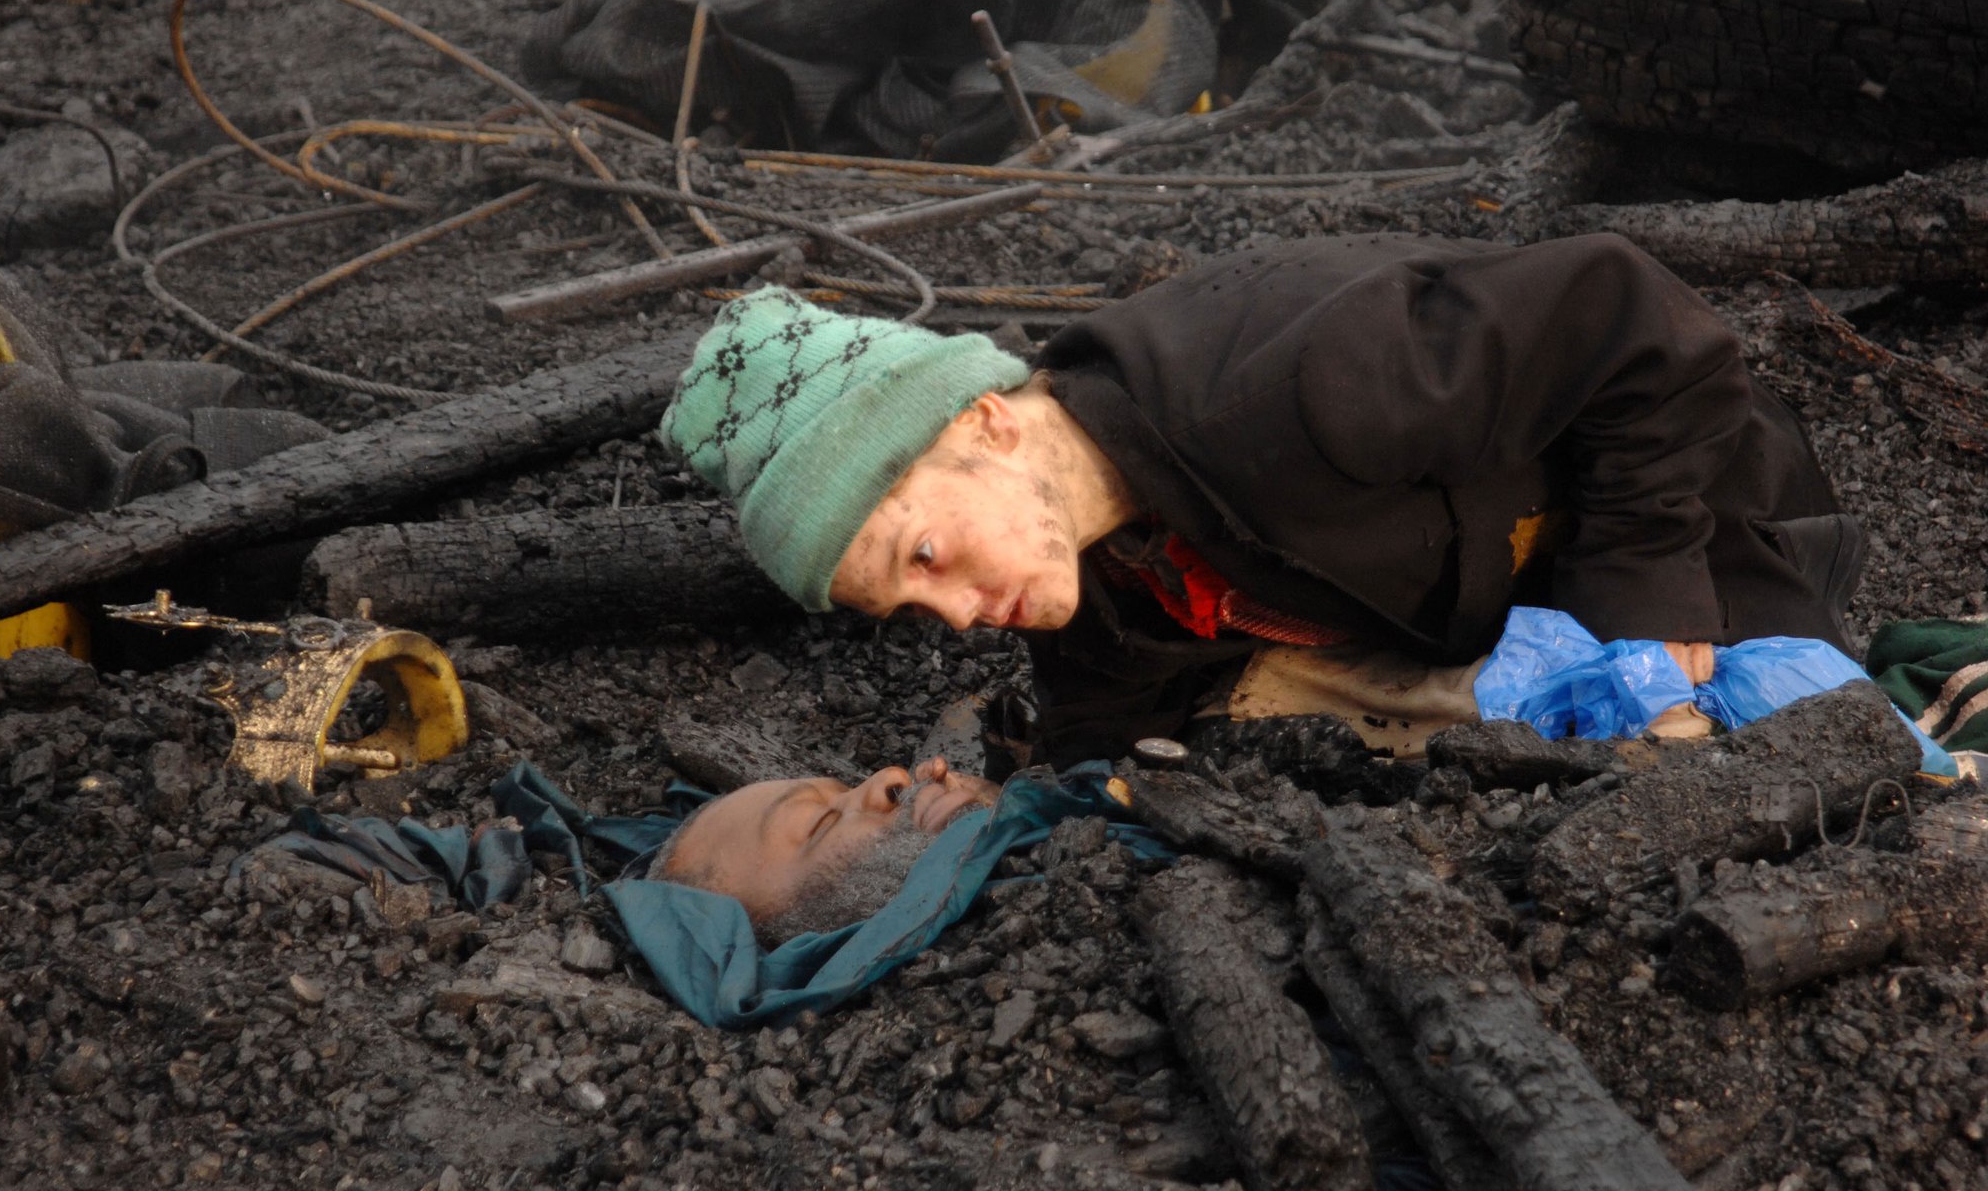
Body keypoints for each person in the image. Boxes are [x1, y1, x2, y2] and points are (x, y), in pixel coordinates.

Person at [653, 231, 1865, 935]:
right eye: (912, 607)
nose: (959, 612)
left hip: (1708, 514)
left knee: (1794, 773)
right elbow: (1104, 715)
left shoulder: (1302, 384)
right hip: (1450, 598)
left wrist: (1644, 606)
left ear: (985, 423)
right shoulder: (1084, 542)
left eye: (922, 558)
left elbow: (1637, 320)